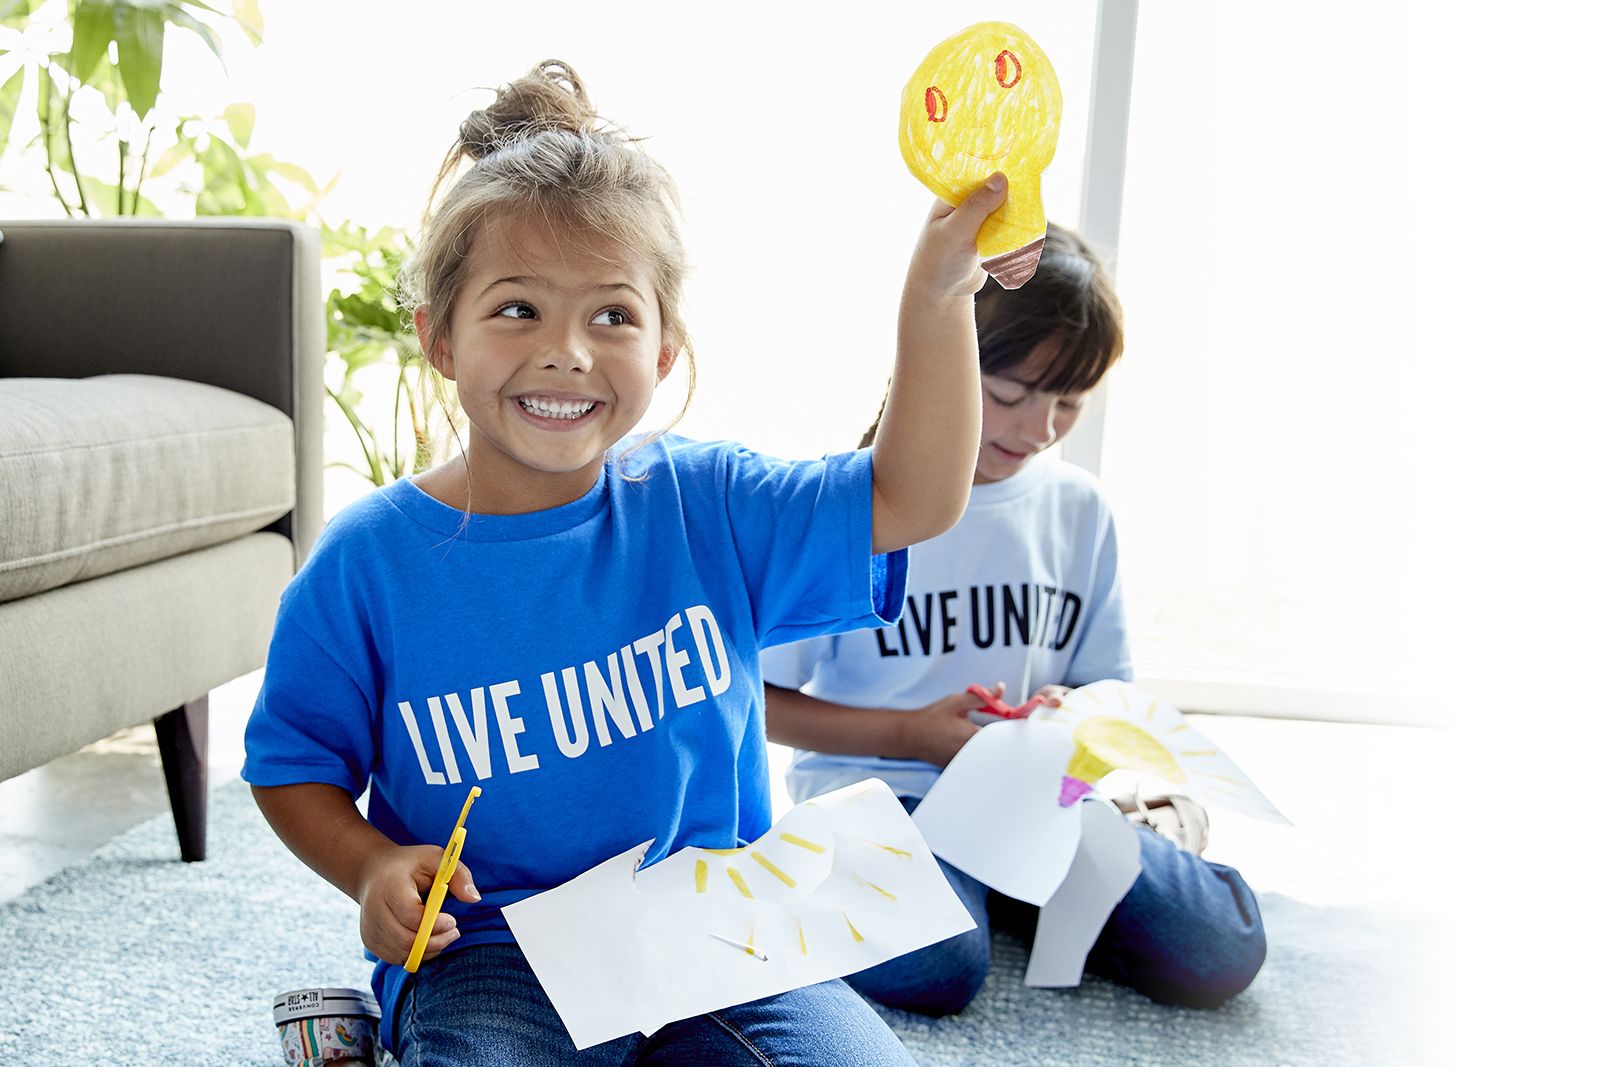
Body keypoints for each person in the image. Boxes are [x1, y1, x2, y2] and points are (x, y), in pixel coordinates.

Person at [243, 59, 1011, 1066]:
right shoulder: (366, 565)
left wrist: (938, 295)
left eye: (612, 315)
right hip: (495, 946)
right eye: (517, 309)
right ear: (439, 337)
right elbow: (293, 767)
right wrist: (371, 865)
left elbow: (912, 498)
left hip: (721, 926)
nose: (567, 350)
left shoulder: (708, 502)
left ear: (663, 351)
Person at [761, 224, 1268, 1016]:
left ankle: (1098, 850)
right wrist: (912, 736)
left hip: (1032, 797)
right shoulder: (846, 509)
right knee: (939, 965)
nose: (1038, 430)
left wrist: (1069, 720)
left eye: (1068, 403)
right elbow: (755, 700)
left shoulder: (1078, 509)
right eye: (1009, 396)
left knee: (1222, 944)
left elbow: (1104, 690)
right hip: (883, 796)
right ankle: (982, 888)